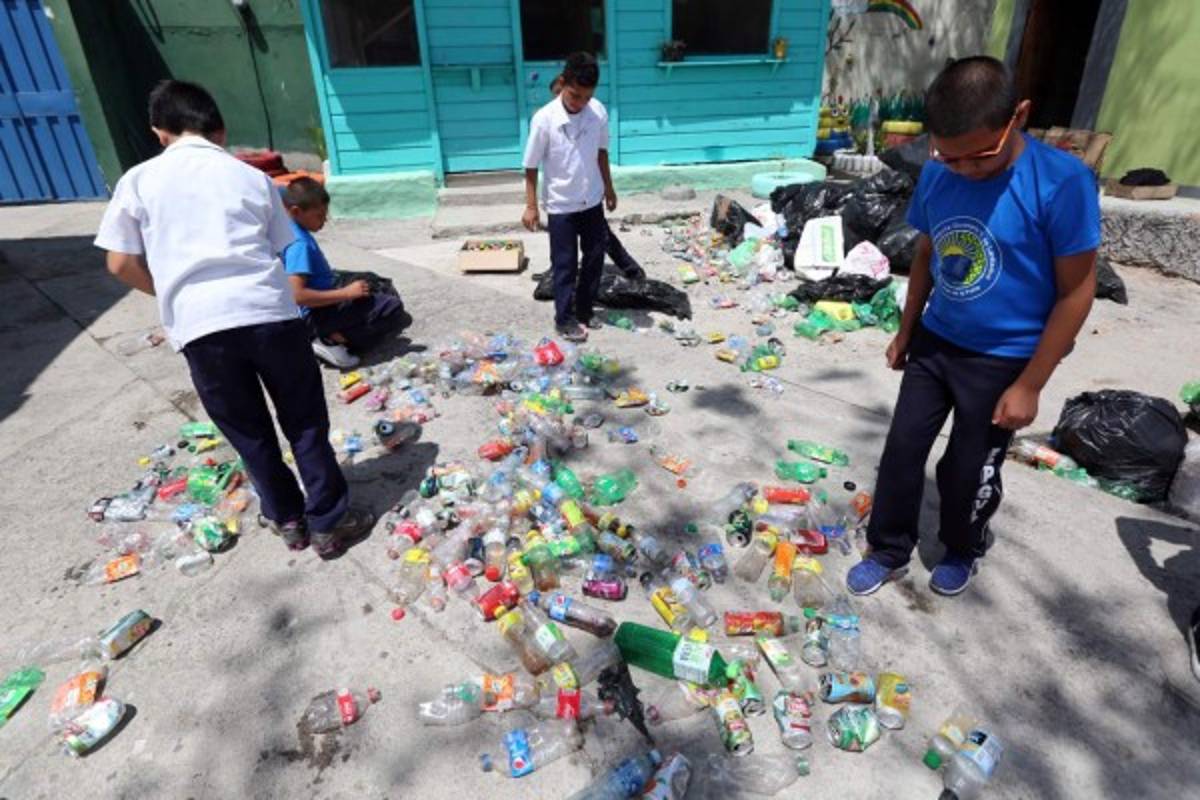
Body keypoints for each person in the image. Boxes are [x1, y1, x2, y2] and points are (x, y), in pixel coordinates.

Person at [846, 56, 1100, 597]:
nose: (964, 169)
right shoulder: (939, 172)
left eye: (980, 156)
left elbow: (1077, 292)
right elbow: (926, 253)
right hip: (936, 341)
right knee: (902, 450)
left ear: (1019, 116)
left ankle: (962, 546)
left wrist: (1031, 383)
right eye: (949, 156)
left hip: (1003, 358)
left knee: (968, 468)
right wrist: (906, 330)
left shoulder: (1062, 183)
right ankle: (888, 548)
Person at [94, 80, 374, 558]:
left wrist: (178, 293)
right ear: (219, 131)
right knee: (304, 421)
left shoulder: (137, 181)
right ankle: (329, 523)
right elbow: (283, 246)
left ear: (159, 131)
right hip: (270, 314)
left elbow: (119, 263)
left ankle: (288, 519)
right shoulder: (252, 178)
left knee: (249, 432)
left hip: (201, 328)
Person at [522, 51, 616, 342]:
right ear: (562, 83)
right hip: (561, 204)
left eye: (587, 97)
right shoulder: (544, 119)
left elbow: (601, 152)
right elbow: (531, 166)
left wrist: (609, 188)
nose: (580, 103)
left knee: (595, 257)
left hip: (592, 200)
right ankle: (563, 319)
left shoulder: (597, 112)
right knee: (564, 264)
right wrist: (531, 206)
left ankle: (585, 311)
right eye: (575, 95)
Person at [281, 177, 408, 369]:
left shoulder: (288, 229)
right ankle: (331, 340)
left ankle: (331, 334)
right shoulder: (299, 245)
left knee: (375, 284)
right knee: (392, 308)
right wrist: (347, 293)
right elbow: (297, 295)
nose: (324, 221)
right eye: (319, 216)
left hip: (317, 302)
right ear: (296, 211)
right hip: (314, 315)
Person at [543, 73, 645, 282]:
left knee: (601, 236)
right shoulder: (553, 118)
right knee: (563, 241)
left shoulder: (593, 114)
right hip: (566, 197)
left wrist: (609, 188)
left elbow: (601, 154)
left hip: (588, 194)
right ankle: (558, 271)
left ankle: (631, 268)